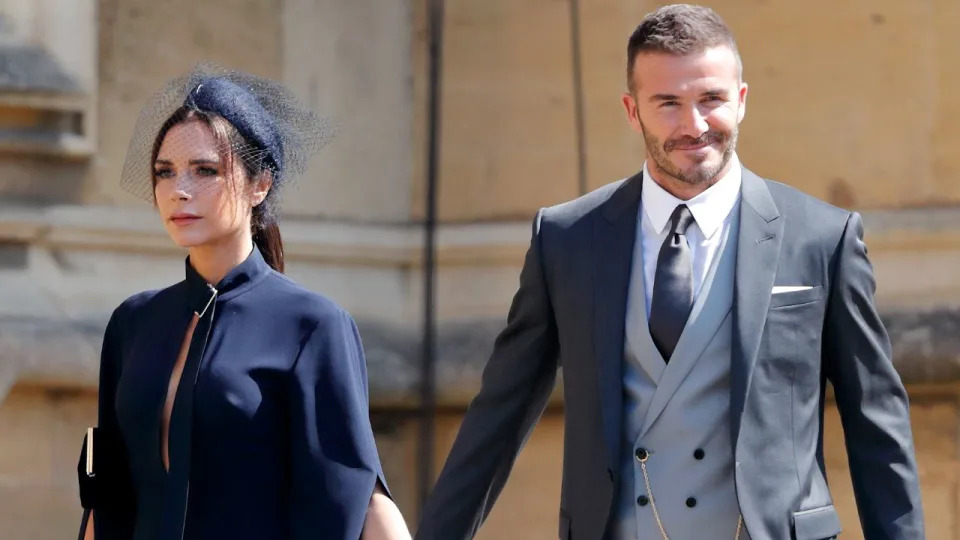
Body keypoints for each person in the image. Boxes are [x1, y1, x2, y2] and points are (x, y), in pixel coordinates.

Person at [414, 5, 924, 539]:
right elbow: (500, 412)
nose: (694, 125)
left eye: (711, 99)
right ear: (632, 111)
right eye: (669, 104)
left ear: (742, 100)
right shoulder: (567, 239)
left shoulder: (823, 236)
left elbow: (876, 422)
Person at [76, 65, 411, 540]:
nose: (179, 190)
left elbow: (357, 491)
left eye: (205, 170)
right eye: (164, 172)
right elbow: (106, 497)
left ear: (261, 185)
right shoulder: (133, 323)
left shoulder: (312, 325)